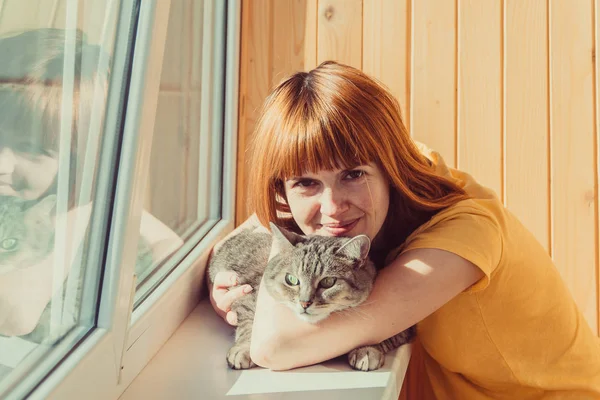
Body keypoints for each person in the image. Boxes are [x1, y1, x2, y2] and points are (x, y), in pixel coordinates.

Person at [209, 61, 600, 399]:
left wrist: (269, 291)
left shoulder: (462, 237)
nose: (331, 207)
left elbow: (275, 347)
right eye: (306, 183)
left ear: (391, 168)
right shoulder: (398, 167)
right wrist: (233, 289)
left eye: (353, 175)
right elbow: (245, 236)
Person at [0, 28, 181, 344]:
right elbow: (15, 312)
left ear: (80, 164)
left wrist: (85, 208)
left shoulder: (62, 211)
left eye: (30, 148)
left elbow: (169, 248)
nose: (2, 164)